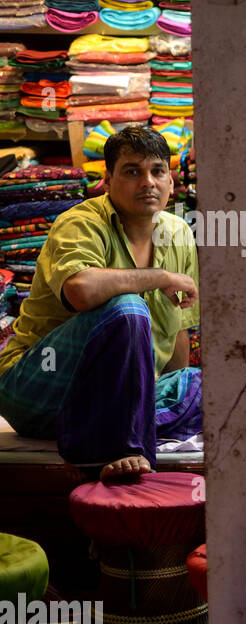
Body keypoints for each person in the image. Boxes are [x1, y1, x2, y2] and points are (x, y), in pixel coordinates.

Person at [0, 125, 201, 480]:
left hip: (109, 397)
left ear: (171, 181)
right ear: (107, 180)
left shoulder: (179, 232)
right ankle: (121, 444)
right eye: (132, 171)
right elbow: (81, 291)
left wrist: (178, 388)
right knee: (127, 308)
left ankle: (127, 420)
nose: (148, 182)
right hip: (38, 384)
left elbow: (179, 332)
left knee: (216, 387)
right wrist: (159, 277)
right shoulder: (81, 222)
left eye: (157, 171)